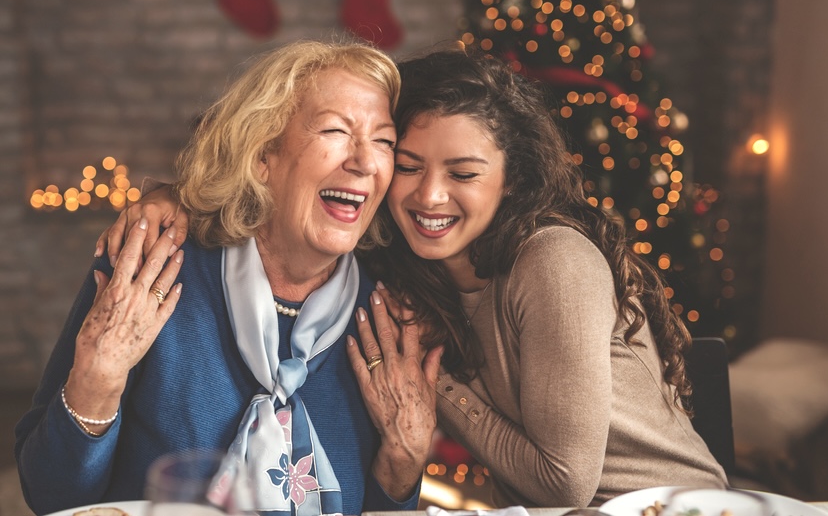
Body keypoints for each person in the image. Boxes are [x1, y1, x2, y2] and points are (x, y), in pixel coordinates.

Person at [93, 47, 728, 508]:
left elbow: (565, 481)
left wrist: (437, 382)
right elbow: (265, 187)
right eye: (409, 163)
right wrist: (169, 198)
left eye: (464, 173)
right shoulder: (403, 269)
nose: (429, 195)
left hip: (673, 506)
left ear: (513, 180)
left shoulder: (551, 259)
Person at [15, 40, 442, 516]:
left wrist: (404, 460)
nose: (365, 161)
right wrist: (98, 377)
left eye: (384, 141)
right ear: (263, 156)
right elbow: (49, 495)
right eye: (335, 131)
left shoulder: (384, 314)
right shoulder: (153, 266)